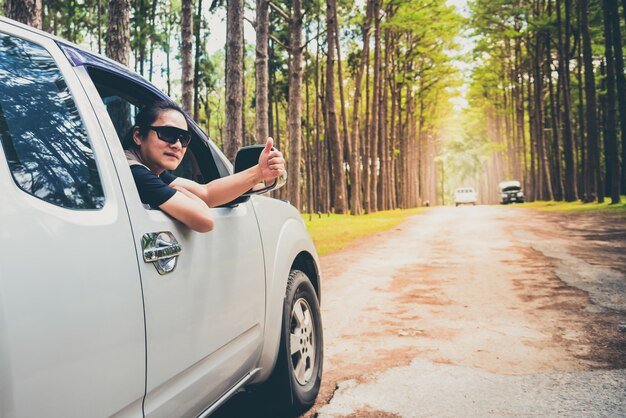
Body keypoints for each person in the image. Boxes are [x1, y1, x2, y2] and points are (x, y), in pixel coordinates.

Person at [124, 100, 285, 233]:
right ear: (138, 136)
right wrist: (180, 192)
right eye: (168, 134)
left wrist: (259, 172)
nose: (177, 145)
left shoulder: (149, 169)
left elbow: (206, 193)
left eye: (184, 138)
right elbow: (205, 220)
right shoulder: (136, 173)